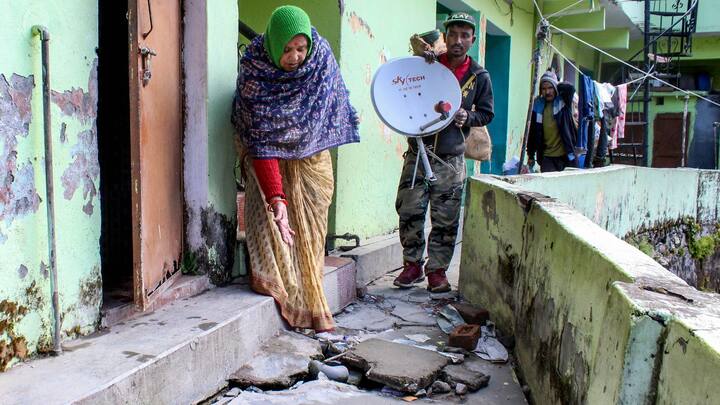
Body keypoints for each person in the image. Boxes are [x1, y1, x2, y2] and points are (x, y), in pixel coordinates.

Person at [232, 6, 359, 332]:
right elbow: (262, 142)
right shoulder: (256, 74)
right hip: (271, 170)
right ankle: (289, 298)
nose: (295, 57)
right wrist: (277, 200)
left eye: (301, 48)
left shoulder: (321, 62)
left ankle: (313, 300)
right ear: (273, 45)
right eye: (286, 49)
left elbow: (333, 110)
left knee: (311, 239)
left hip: (314, 165)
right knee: (277, 240)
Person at [393, 12, 494, 293]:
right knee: (409, 211)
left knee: (446, 218)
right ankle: (411, 265)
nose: (458, 41)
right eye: (453, 34)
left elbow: (486, 113)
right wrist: (420, 63)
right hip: (418, 154)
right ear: (445, 37)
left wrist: (468, 117)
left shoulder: (479, 76)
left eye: (464, 35)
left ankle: (437, 271)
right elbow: (405, 91)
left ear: (472, 40)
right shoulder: (429, 66)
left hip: (450, 160)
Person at [526, 71, 578, 173]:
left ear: (555, 88)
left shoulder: (563, 102)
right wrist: (531, 155)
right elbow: (532, 132)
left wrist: (556, 83)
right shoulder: (537, 106)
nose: (547, 92)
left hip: (567, 155)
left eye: (550, 88)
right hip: (547, 157)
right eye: (544, 89)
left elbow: (570, 88)